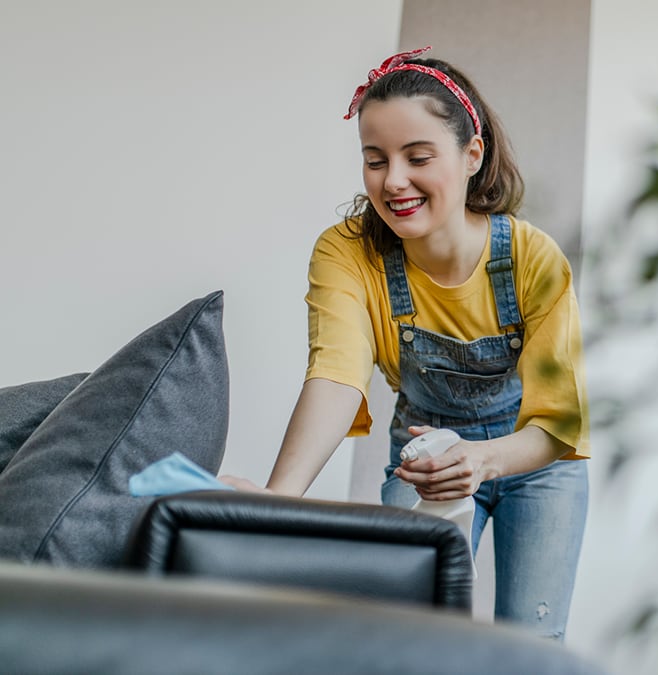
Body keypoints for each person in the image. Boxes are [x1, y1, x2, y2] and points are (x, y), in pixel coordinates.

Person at [221, 46, 590, 641]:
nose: (394, 182)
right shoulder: (347, 253)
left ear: (472, 156)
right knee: (411, 633)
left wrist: (482, 459)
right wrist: (277, 502)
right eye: (375, 160)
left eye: (417, 157)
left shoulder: (531, 257)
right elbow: (335, 376)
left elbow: (558, 423)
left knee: (533, 645)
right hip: (423, 460)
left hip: (535, 463)